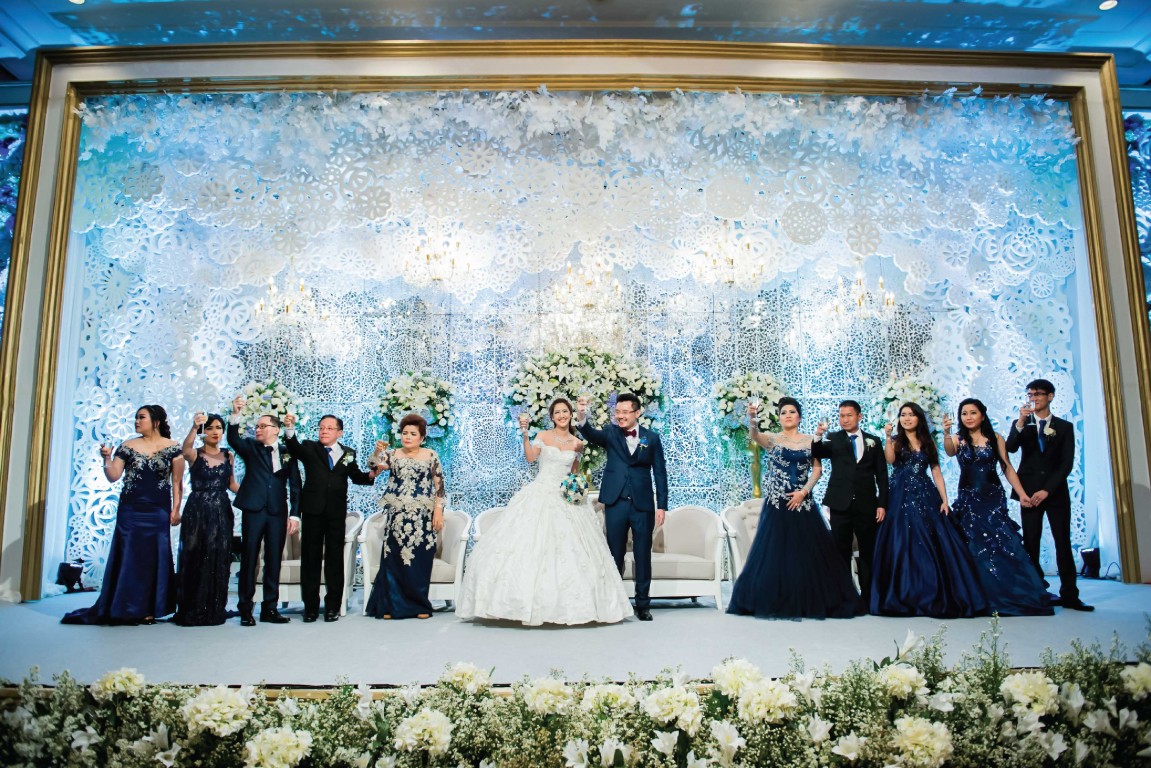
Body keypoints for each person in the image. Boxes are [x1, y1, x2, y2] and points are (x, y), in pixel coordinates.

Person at [457, 398, 632, 625]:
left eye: (565, 411)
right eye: (557, 412)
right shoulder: (543, 436)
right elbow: (531, 457)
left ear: (570, 414)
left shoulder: (578, 443)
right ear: (552, 417)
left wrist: (576, 488)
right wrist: (525, 434)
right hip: (540, 493)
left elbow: (574, 473)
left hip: (565, 499)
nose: (562, 415)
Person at [727, 398, 861, 619]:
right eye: (783, 412)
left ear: (799, 416)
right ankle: (776, 600)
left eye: (792, 412)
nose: (787, 415)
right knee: (776, 555)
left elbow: (817, 470)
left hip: (802, 504)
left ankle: (809, 600)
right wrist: (752, 417)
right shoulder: (772, 439)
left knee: (806, 556)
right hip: (777, 504)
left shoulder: (811, 440)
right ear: (779, 417)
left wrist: (803, 492)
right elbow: (754, 435)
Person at [63, 405, 183, 625]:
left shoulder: (173, 447)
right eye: (136, 417)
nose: (136, 421)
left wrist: (176, 509)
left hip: (158, 510)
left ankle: (149, 609)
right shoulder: (127, 446)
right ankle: (125, 606)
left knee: (154, 558)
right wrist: (106, 458)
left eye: (141, 417)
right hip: (130, 510)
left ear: (156, 421)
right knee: (129, 556)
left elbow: (177, 482)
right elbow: (113, 476)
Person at [871, 402, 988, 618]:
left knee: (931, 539)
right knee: (901, 541)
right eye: (903, 415)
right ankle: (905, 593)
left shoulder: (928, 441)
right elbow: (890, 460)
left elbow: (936, 471)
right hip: (900, 495)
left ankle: (930, 590)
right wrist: (887, 437)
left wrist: (944, 499)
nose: (907, 418)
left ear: (919, 418)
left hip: (925, 493)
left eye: (911, 415)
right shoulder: (895, 441)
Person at [943, 399, 1053, 616]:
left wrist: (1022, 494)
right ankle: (979, 596)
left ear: (982, 415)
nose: (968, 417)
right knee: (973, 545)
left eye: (973, 412)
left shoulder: (996, 438)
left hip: (993, 498)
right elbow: (949, 452)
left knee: (1002, 544)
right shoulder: (957, 439)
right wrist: (946, 433)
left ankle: (1014, 593)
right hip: (969, 499)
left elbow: (1007, 468)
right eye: (964, 413)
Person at [575, 392, 667, 622]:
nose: (620, 416)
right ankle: (614, 603)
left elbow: (660, 473)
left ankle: (643, 605)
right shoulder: (610, 433)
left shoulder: (652, 438)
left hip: (642, 504)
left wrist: (662, 506)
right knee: (614, 554)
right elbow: (589, 433)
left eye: (625, 412)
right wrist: (582, 416)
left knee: (642, 555)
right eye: (617, 412)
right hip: (615, 502)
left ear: (637, 413)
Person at [283, 412, 379, 623]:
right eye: (321, 428)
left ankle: (333, 607)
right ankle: (310, 608)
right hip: (312, 511)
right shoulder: (309, 447)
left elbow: (357, 476)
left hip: (336, 513)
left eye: (329, 428)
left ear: (339, 432)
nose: (324, 431)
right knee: (311, 559)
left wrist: (372, 475)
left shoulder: (348, 453)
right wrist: (289, 430)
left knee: (335, 560)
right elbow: (294, 448)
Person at [1006, 379, 1092, 611]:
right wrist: (1020, 422)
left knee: (1062, 542)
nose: (1033, 398)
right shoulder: (1022, 424)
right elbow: (1010, 448)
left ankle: (1070, 595)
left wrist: (1047, 490)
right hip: (1028, 493)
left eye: (1038, 394)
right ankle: (1036, 593)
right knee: (1031, 542)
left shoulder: (1064, 427)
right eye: (1030, 394)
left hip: (1055, 493)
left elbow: (1066, 464)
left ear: (1050, 396)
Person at [228, 399, 301, 627]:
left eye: (262, 426)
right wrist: (235, 415)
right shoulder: (251, 447)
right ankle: (245, 609)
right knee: (249, 559)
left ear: (276, 429)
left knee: (273, 560)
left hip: (277, 511)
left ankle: (270, 608)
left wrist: (295, 514)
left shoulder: (288, 452)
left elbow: (296, 485)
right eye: (256, 426)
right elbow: (233, 439)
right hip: (254, 510)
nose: (258, 429)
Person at [365, 413, 446, 620]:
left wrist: (438, 510)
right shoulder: (392, 454)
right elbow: (373, 468)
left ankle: (419, 606)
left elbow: (439, 485)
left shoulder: (430, 455)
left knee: (420, 560)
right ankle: (391, 606)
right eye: (404, 433)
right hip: (398, 517)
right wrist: (377, 451)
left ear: (422, 437)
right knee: (394, 561)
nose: (407, 437)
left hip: (422, 517)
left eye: (413, 434)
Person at [811, 399, 889, 609]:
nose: (844, 419)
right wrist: (818, 435)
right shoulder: (833, 438)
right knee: (840, 552)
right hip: (839, 504)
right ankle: (844, 598)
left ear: (859, 416)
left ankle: (869, 598)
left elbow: (882, 475)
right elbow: (818, 453)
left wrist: (882, 504)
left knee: (867, 551)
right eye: (841, 416)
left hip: (867, 505)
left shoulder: (874, 441)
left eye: (849, 415)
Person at [174, 413, 239, 627]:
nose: (215, 432)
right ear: (203, 432)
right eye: (210, 428)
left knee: (217, 556)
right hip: (198, 509)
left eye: (219, 428)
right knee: (194, 554)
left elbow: (232, 484)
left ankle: (213, 608)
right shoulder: (195, 454)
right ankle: (192, 608)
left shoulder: (228, 455)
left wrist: (255, 496)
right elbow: (185, 450)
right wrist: (194, 427)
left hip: (221, 510)